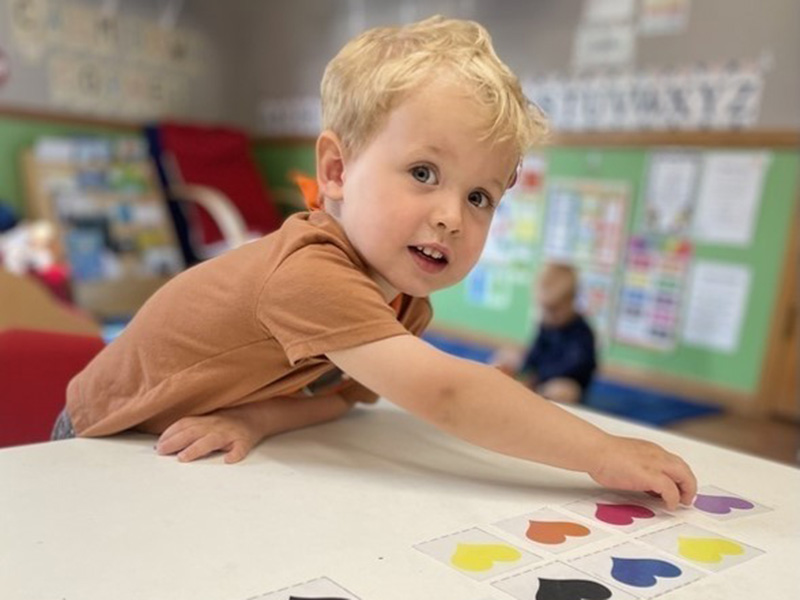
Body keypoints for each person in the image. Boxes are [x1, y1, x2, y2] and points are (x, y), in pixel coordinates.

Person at [56, 16, 696, 510]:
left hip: (174, 451)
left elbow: (338, 401)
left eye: (480, 197)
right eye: (424, 172)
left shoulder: (402, 304)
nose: (452, 215)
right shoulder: (310, 273)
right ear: (336, 171)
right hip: (103, 438)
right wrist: (599, 451)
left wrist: (254, 416)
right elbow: (447, 393)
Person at [518, 262, 597, 404]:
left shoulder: (582, 333)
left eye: (554, 310)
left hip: (563, 386)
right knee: (505, 359)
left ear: (571, 301)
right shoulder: (546, 325)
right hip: (539, 381)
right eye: (545, 310)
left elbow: (572, 367)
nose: (549, 316)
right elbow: (534, 354)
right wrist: (525, 370)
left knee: (562, 390)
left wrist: (538, 378)